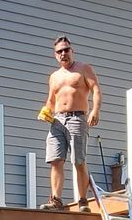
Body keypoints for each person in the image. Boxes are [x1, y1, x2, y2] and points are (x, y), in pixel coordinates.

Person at [38, 35, 100, 208]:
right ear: (55, 55)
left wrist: (95, 110)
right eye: (59, 51)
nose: (63, 53)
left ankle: (82, 200)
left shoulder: (83, 69)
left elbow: (96, 89)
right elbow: (51, 99)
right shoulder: (54, 76)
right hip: (57, 120)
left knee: (78, 160)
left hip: (77, 117)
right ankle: (56, 200)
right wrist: (45, 111)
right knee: (55, 159)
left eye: (66, 50)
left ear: (72, 51)